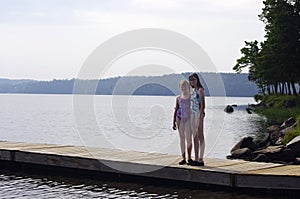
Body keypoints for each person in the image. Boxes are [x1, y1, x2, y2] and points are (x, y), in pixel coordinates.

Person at [172, 80, 193, 165]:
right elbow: (176, 109)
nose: (184, 88)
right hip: (179, 118)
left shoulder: (191, 97)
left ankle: (189, 157)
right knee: (182, 139)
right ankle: (183, 158)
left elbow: (195, 109)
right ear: (180, 88)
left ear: (188, 87)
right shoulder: (178, 97)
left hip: (188, 119)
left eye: (185, 86)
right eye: (182, 86)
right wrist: (173, 122)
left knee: (188, 138)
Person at [189, 73, 205, 166]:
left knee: (200, 136)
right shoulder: (193, 90)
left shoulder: (200, 90)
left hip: (199, 115)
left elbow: (203, 105)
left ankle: (201, 159)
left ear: (197, 80)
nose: (192, 81)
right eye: (190, 80)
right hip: (192, 115)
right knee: (194, 137)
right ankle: (196, 158)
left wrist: (200, 115)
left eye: (194, 79)